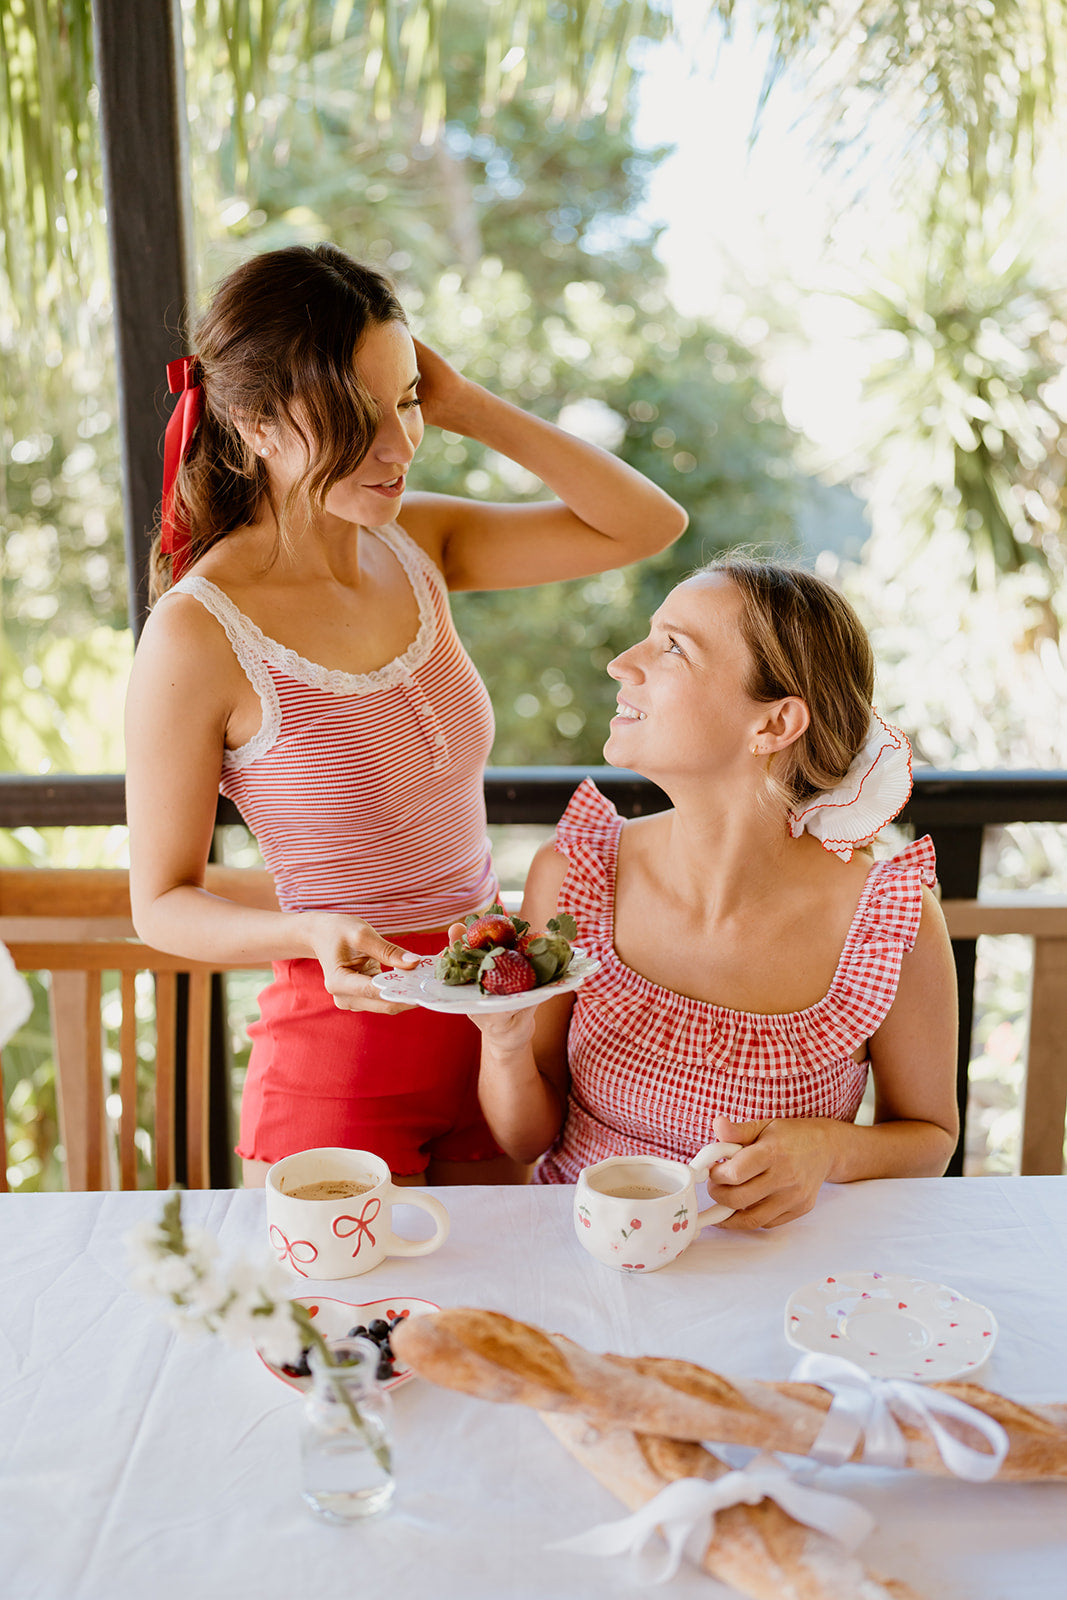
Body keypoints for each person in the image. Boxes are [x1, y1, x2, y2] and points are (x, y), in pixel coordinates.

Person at [124, 242, 687, 1189]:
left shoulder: (417, 542)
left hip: (487, 1028)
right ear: (256, 422)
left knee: (497, 1335)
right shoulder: (197, 635)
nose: (399, 446)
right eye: (357, 414)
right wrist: (307, 932)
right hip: (340, 1058)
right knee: (342, 1342)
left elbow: (645, 525)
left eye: (407, 402)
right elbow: (162, 905)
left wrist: (465, 404)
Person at [468, 555, 959, 1226]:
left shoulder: (886, 919)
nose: (620, 663)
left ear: (773, 725)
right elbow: (524, 1139)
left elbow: (930, 1139)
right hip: (587, 1264)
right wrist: (503, 1045)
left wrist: (827, 1148)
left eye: (673, 648)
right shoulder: (575, 874)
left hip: (779, 1284)